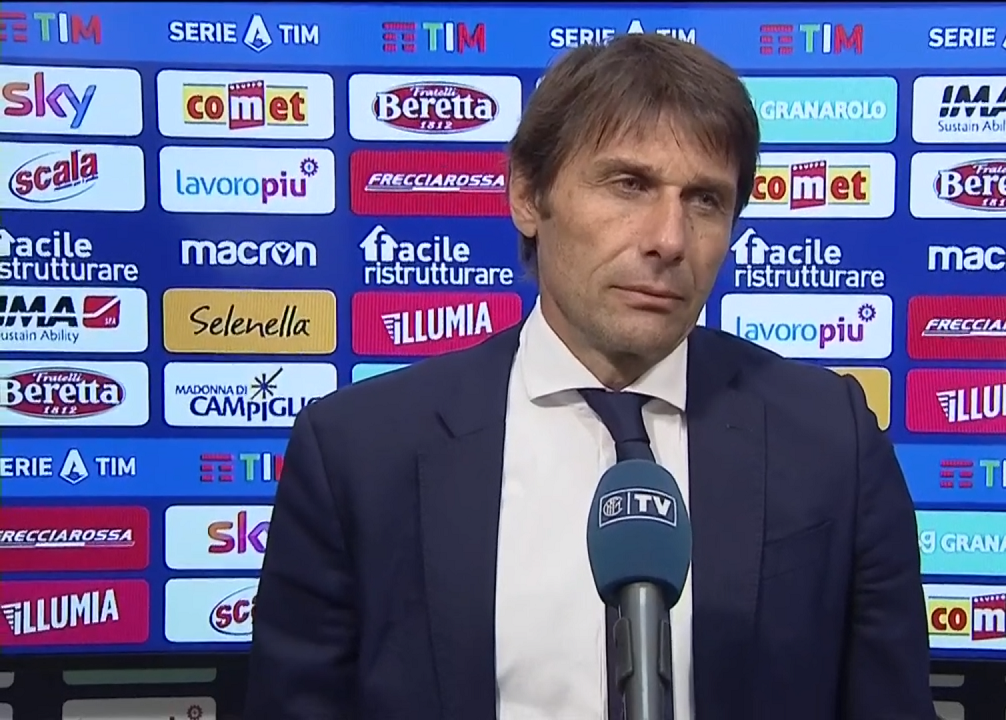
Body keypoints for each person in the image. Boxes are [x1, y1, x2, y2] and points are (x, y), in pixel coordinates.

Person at [243, 33, 934, 720]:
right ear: (527, 196)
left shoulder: (831, 439)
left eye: (704, 200)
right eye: (629, 185)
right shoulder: (360, 450)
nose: (669, 239)